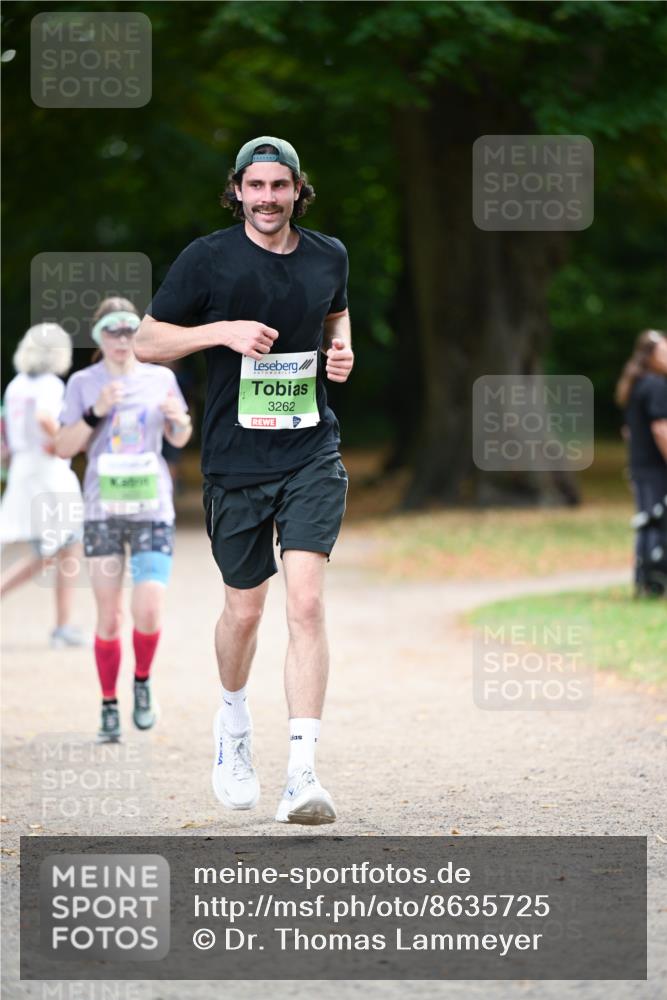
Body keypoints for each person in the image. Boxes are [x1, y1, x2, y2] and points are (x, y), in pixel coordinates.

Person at [135, 136, 354, 824]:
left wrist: (341, 347)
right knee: (245, 611)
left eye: (279, 187)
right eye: (254, 187)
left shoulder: (328, 254)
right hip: (236, 461)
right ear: (237, 190)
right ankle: (232, 723)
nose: (267, 198)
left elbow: (334, 309)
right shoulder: (207, 258)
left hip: (310, 452)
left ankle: (301, 772)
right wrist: (218, 331)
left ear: (297, 189)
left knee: (307, 605)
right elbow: (146, 340)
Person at [56, 297, 192, 741]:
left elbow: (181, 434)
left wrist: (178, 421)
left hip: (152, 508)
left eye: (129, 329)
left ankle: (143, 681)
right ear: (98, 337)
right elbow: (62, 446)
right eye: (111, 331)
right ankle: (109, 703)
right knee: (110, 616)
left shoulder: (161, 378)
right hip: (103, 511)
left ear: (140, 333)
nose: (121, 339)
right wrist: (96, 409)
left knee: (149, 609)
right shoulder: (82, 383)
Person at [0, 323, 87, 647]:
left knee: (48, 550)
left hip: (24, 468)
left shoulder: (15, 385)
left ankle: (63, 625)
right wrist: (64, 441)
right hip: (48, 471)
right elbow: (44, 418)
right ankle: (63, 627)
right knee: (67, 545)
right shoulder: (50, 384)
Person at [615, 329, 667, 596]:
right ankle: (654, 581)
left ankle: (644, 580)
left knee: (646, 522)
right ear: (650, 356)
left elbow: (629, 432)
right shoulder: (656, 385)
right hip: (655, 468)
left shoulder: (635, 384)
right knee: (658, 522)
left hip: (640, 465)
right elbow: (660, 428)